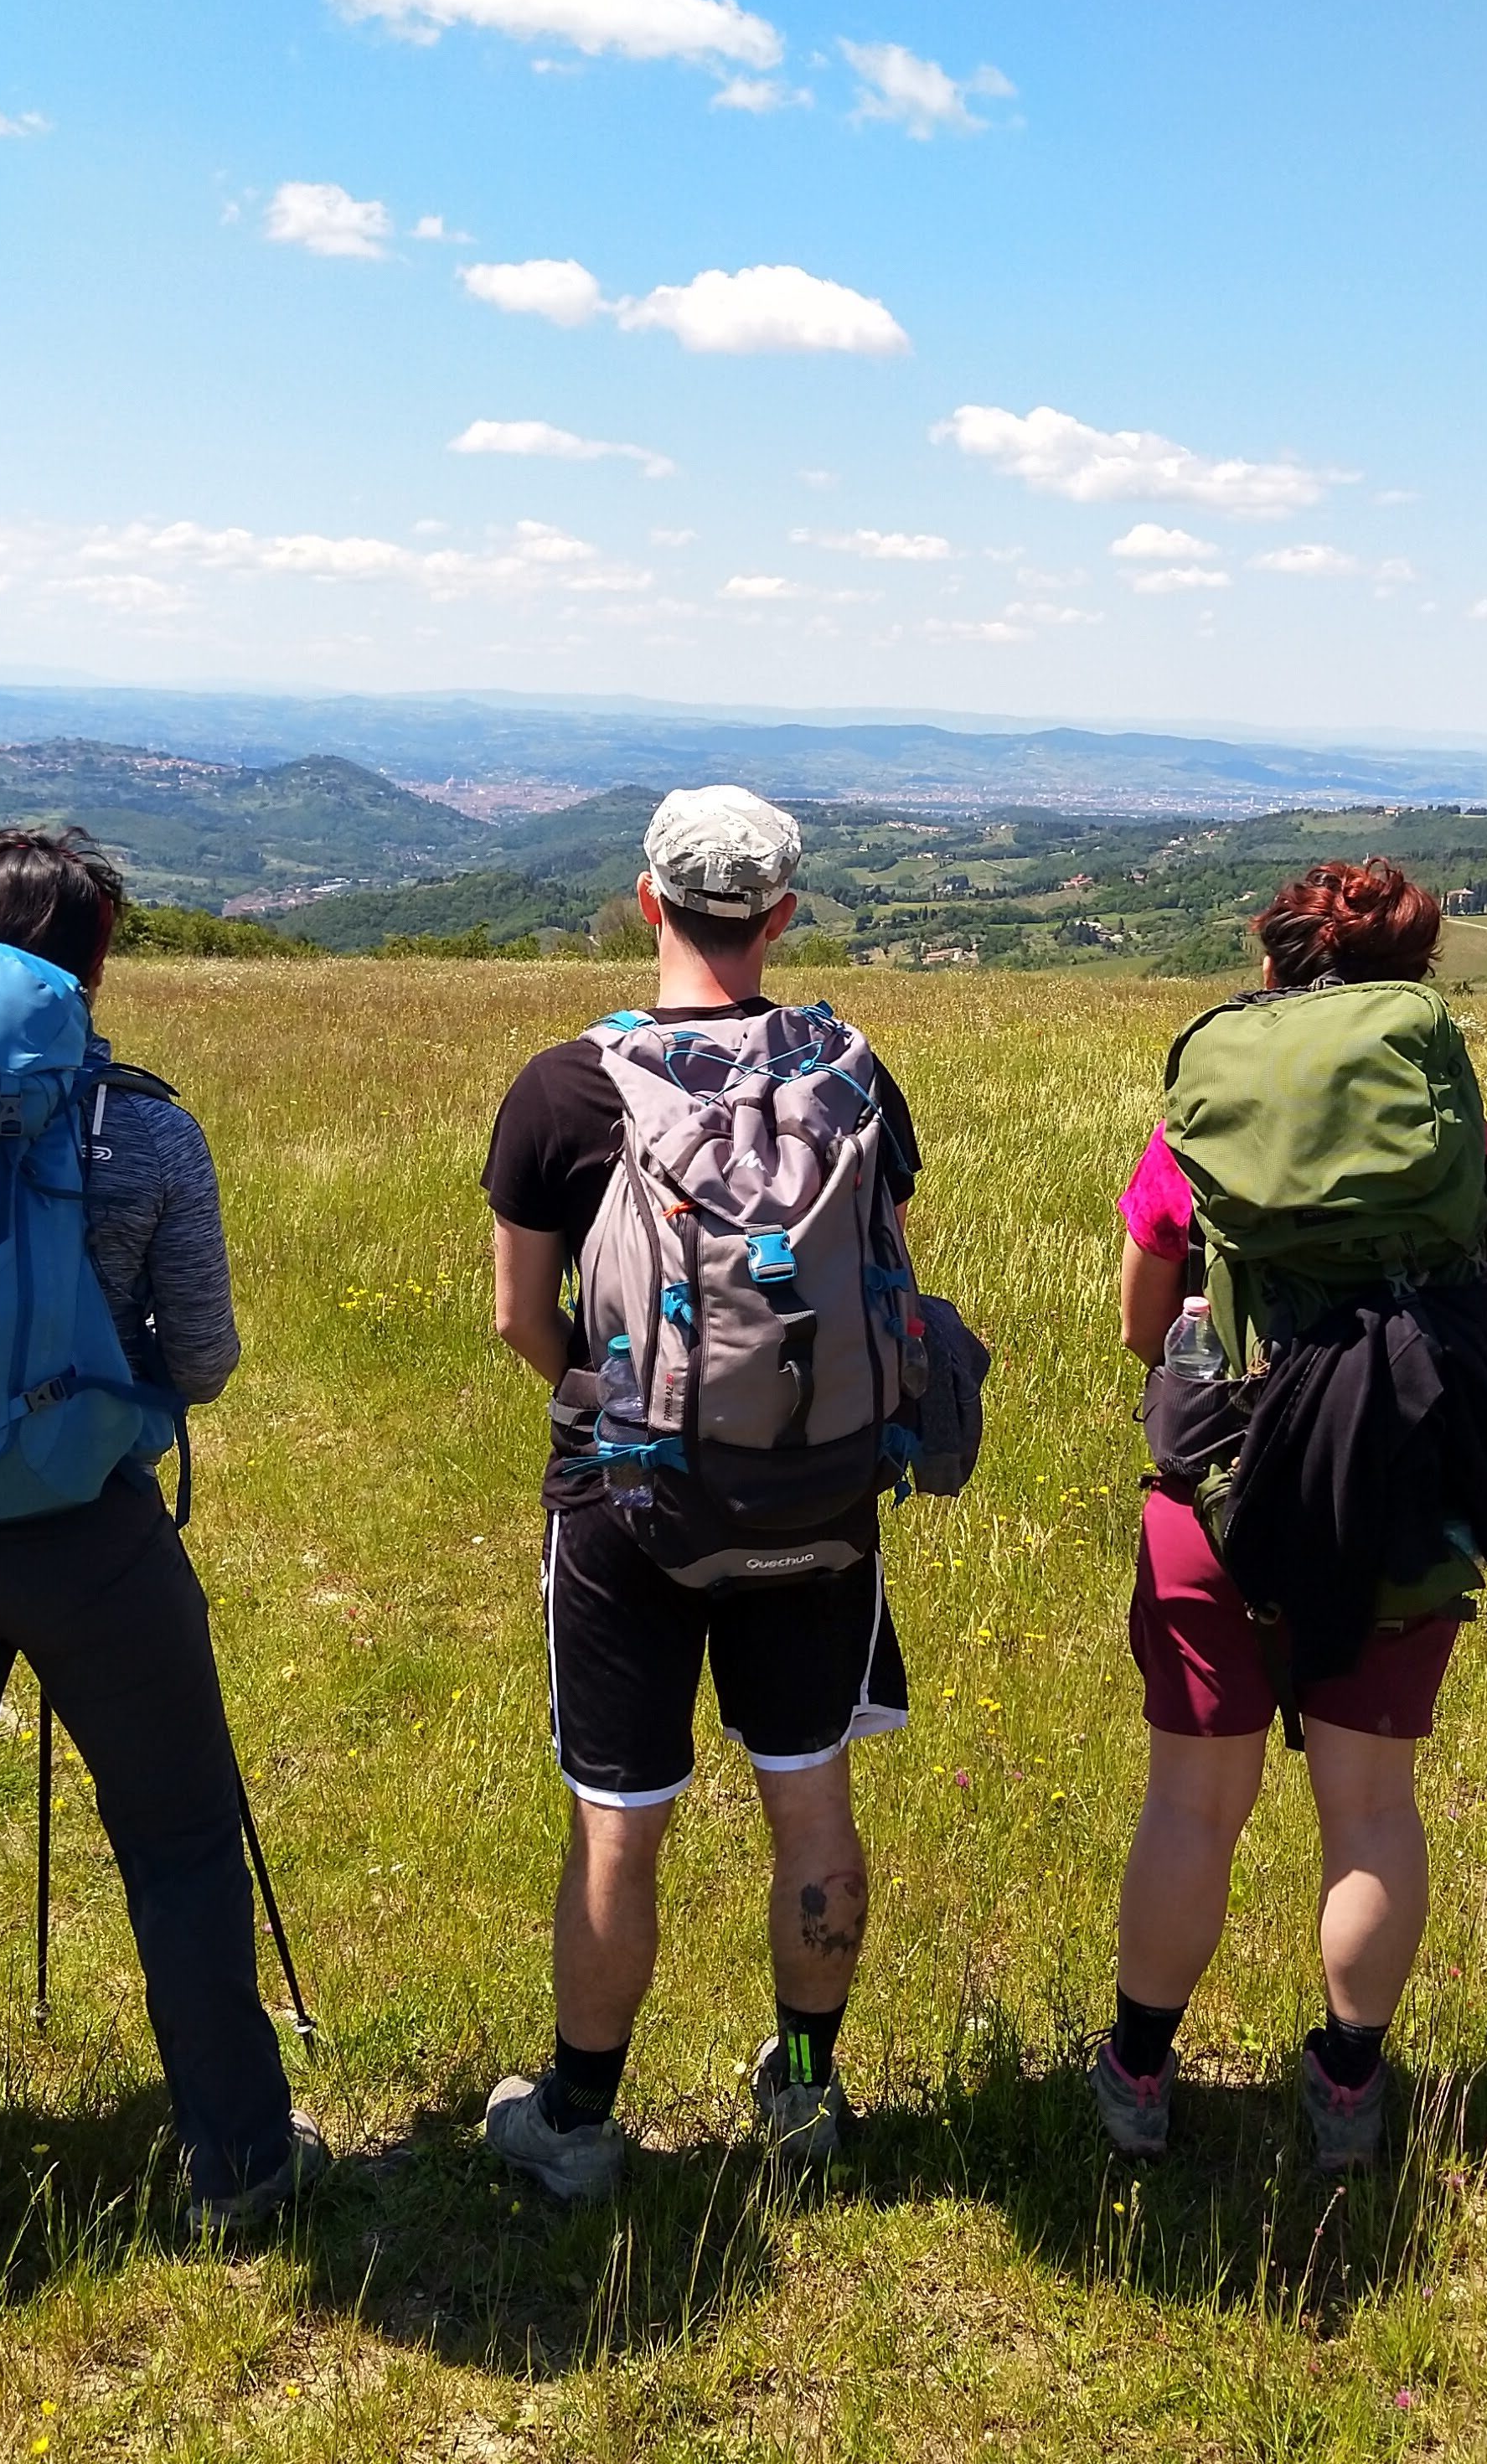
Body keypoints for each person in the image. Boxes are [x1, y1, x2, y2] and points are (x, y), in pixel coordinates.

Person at [0, 825, 319, 2244]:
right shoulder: (147, 1130)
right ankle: (239, 2166)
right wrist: (123, 1383)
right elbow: (209, 1356)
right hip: (92, 1535)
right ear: (97, 959)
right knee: (177, 1843)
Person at [477, 786, 919, 2199]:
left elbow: (518, 1318)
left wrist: (606, 1399)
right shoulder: (852, 1076)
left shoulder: (566, 1086)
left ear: (649, 901)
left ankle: (581, 2121)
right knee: (811, 1801)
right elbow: (882, 1282)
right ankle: (802, 2094)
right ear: (782, 914)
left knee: (622, 1814)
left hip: (630, 1500)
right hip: (822, 1499)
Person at [1093, 859, 1487, 2172]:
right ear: (1411, 977)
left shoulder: (1197, 1123)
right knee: (1369, 1808)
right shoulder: (1453, 1131)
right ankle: (1348, 2088)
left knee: (1191, 1805)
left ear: (1275, 962)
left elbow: (1141, 1324)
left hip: (1217, 1486)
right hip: (1399, 1481)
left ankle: (1137, 2071)